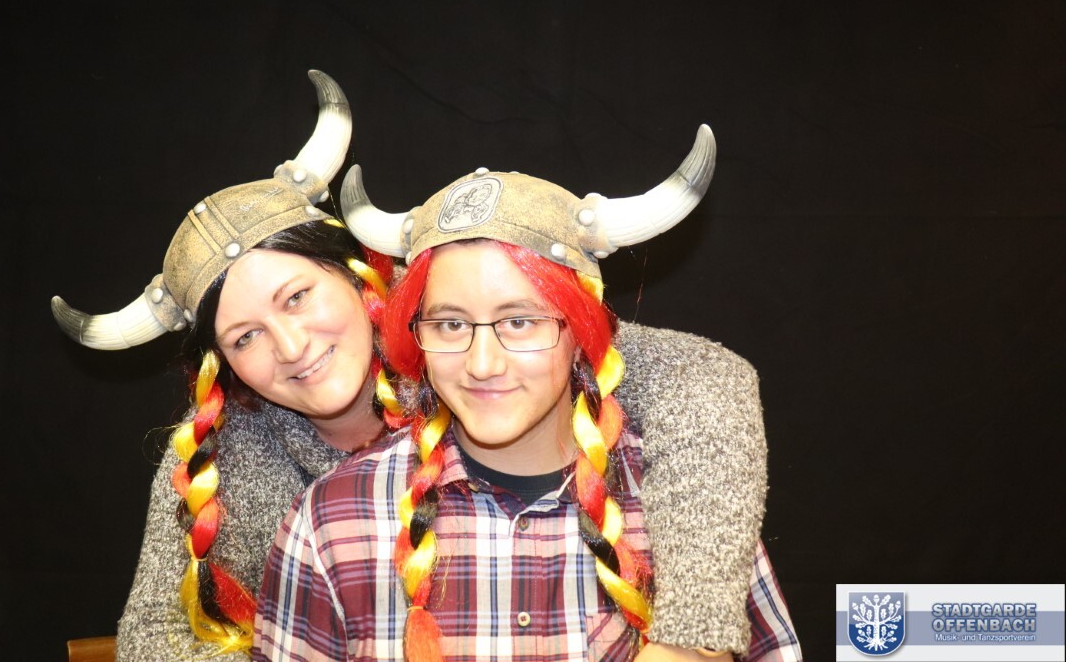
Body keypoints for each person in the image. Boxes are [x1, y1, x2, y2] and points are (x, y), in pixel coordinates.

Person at [53, 72, 790, 661]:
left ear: (364, 276)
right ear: (222, 365)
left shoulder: (463, 336)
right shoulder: (230, 454)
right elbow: (157, 637)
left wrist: (685, 638)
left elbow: (705, 379)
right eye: (244, 337)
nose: (291, 346)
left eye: (299, 297)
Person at [253, 146, 799, 661]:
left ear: (580, 334)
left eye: (520, 322)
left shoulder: (688, 501)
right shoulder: (331, 522)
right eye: (449, 325)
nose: (482, 363)